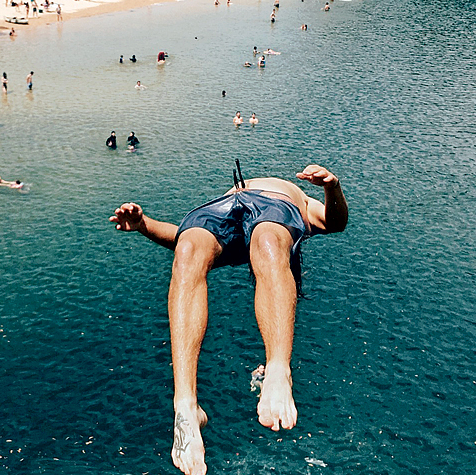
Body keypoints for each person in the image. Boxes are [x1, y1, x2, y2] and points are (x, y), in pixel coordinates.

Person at [110, 164, 348, 475]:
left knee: (267, 240)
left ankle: (278, 370)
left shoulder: (291, 215)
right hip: (222, 207)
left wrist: (332, 188)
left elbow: (334, 222)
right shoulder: (280, 219)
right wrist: (144, 225)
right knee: (188, 250)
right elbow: (179, 238)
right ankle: (186, 406)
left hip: (270, 207)